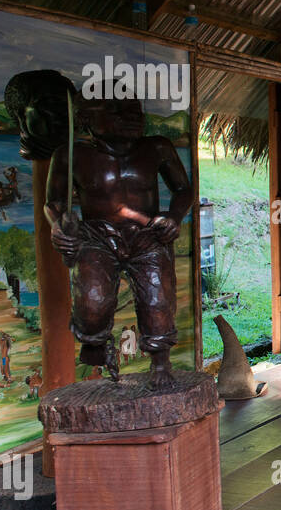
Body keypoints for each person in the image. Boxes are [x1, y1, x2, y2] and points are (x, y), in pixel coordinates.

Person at [45, 92, 194, 386]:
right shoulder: (70, 154)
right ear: (87, 120)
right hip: (97, 236)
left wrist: (174, 218)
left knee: (158, 300)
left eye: (135, 110)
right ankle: (94, 344)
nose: (131, 116)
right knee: (92, 302)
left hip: (148, 236)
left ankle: (161, 364)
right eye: (117, 110)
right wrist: (58, 228)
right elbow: (53, 203)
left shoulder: (157, 148)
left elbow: (183, 190)